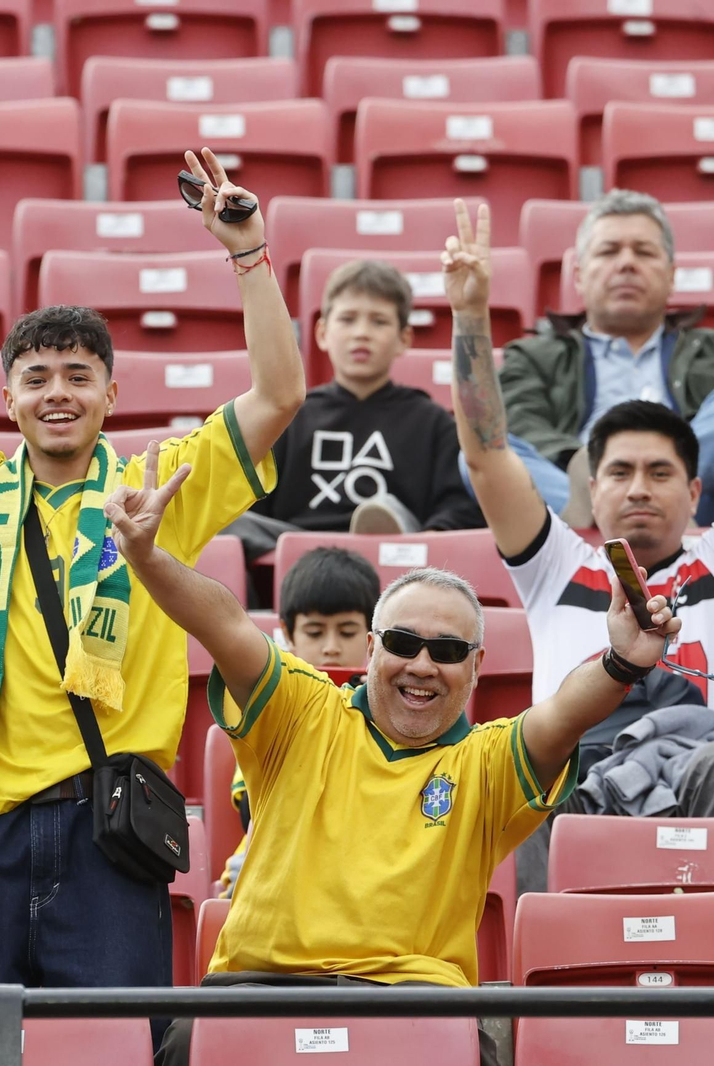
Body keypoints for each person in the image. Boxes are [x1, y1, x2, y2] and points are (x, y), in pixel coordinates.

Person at [0, 121, 303, 1021]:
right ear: (7, 397)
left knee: (110, 1049)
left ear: (111, 396)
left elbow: (279, 396)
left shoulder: (160, 484)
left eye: (79, 376)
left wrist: (249, 255)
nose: (57, 393)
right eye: (37, 377)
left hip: (108, 828)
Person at [98, 448, 678, 1066]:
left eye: (447, 651)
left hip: (419, 1007)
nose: (422, 665)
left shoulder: (487, 762)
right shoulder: (301, 710)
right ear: (372, 649)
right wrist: (149, 558)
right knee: (187, 1041)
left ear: (477, 667)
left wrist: (622, 663)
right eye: (403, 643)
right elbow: (226, 624)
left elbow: (563, 714)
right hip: (260, 991)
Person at [449, 202, 714, 883]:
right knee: (516, 776)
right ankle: (536, 953)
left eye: (660, 474)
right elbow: (485, 456)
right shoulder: (557, 564)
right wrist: (471, 315)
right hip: (573, 779)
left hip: (701, 767)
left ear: (695, 492)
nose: (639, 489)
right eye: (619, 473)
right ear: (590, 490)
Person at [475, 189, 714, 528]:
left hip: (697, 502)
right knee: (481, 447)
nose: (627, 263)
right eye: (609, 251)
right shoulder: (533, 357)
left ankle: (672, 492)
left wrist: (674, 467)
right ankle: (592, 503)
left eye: (644, 252)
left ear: (672, 275)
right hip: (573, 503)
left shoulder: (708, 351)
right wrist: (591, 465)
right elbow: (520, 424)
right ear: (579, 276)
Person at [230, 260, 482, 557]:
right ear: (322, 333)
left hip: (394, 554)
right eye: (348, 319)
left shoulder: (432, 422)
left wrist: (431, 536)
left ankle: (386, 532)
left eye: (379, 322)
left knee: (389, 513)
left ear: (404, 339)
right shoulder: (289, 416)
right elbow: (254, 501)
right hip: (305, 553)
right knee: (225, 522)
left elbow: (459, 506)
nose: (362, 333)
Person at [217, 548, 381, 897]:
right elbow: (251, 811)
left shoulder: (387, 709)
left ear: (372, 637)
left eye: (347, 632)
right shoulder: (267, 705)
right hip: (270, 866)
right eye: (315, 632)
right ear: (287, 634)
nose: (331, 648)